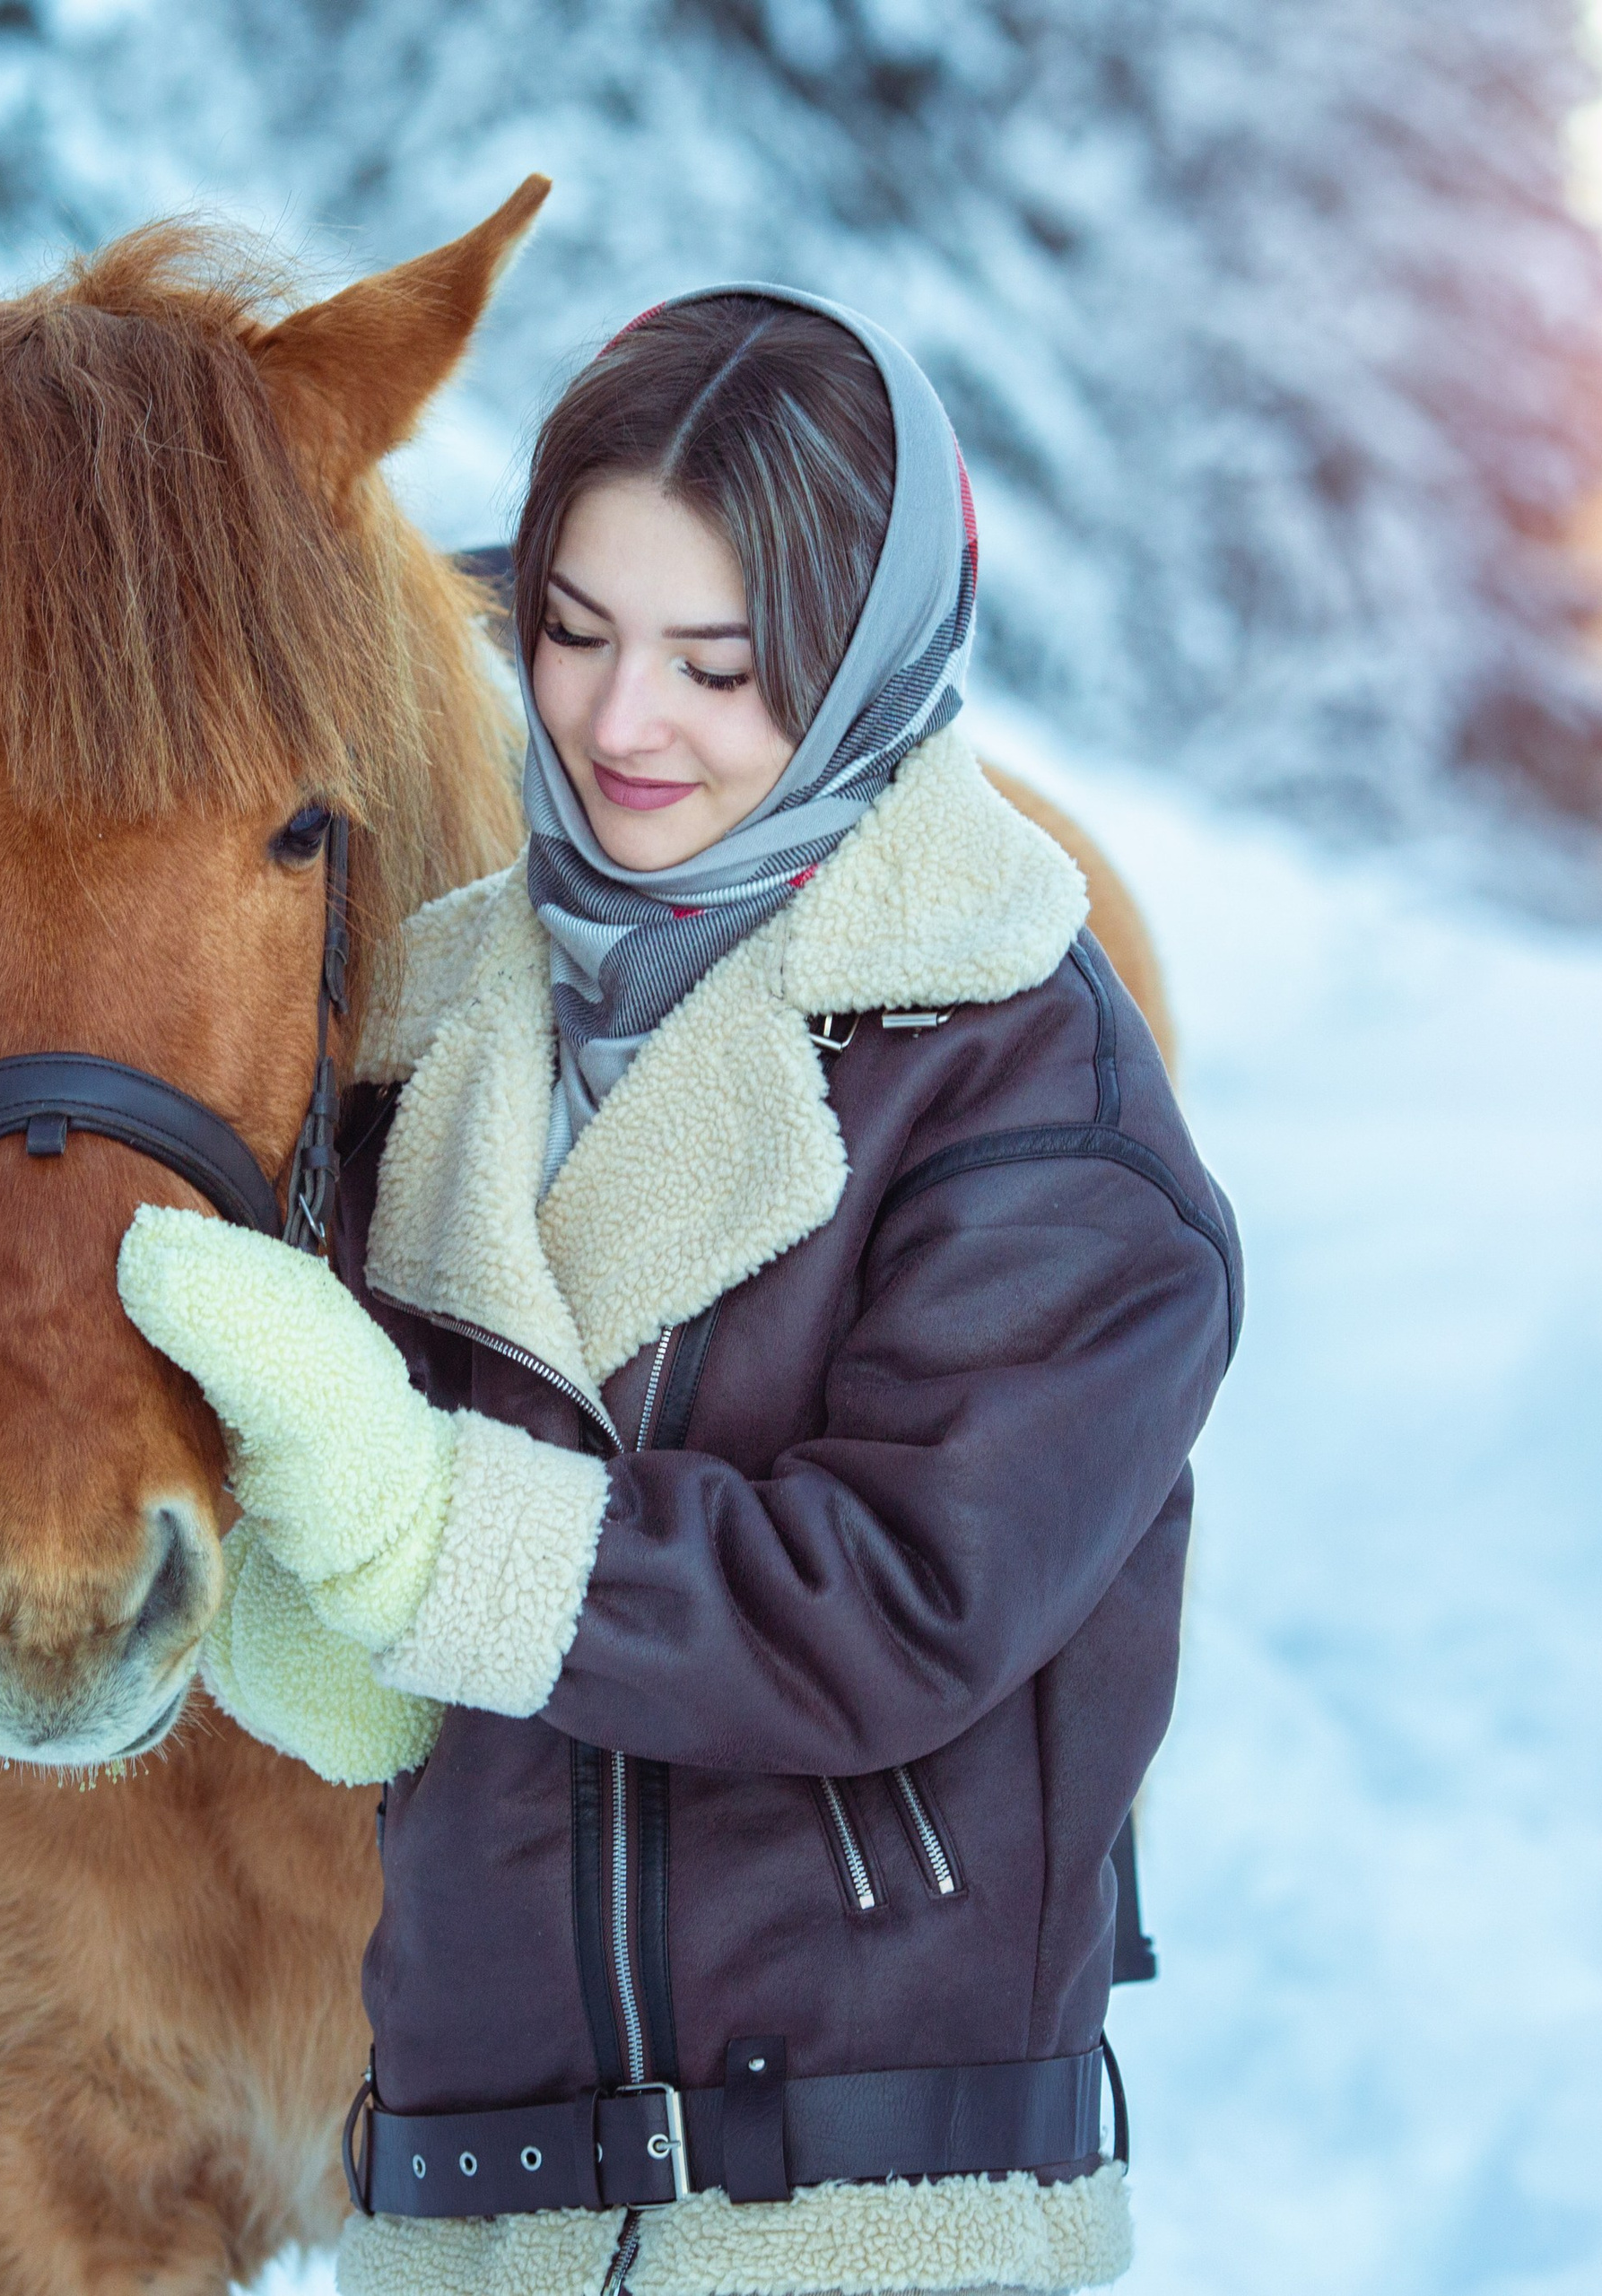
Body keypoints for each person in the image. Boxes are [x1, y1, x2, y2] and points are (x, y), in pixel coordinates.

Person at [118, 286, 1241, 2296]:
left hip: (857, 2221)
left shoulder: (1027, 1087)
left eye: (719, 665)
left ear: (871, 652)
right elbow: (425, 1675)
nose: (622, 725)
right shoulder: (444, 1037)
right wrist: (283, 1580)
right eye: (570, 631)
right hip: (470, 2215)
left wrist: (420, 1513)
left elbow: (892, 1598)